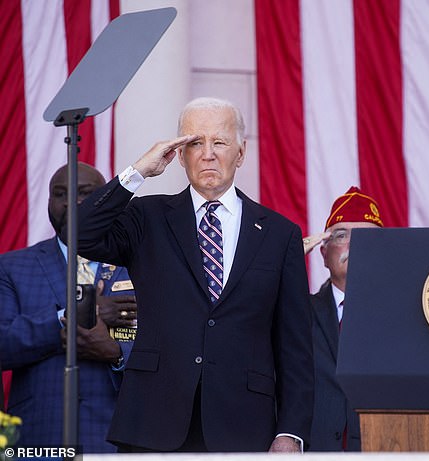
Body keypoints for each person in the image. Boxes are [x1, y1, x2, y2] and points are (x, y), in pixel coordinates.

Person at [70, 97, 313, 452]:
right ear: (180, 155)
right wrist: (138, 171)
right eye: (195, 142)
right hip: (154, 422)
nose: (208, 153)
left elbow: (295, 349)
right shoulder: (147, 218)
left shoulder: (279, 234)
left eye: (219, 142)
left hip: (243, 426)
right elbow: (80, 232)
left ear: (241, 153)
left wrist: (290, 431)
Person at [0, 162, 137, 452]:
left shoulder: (140, 266)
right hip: (40, 437)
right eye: (60, 193)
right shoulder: (12, 267)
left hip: (118, 437)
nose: (72, 202)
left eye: (85, 193)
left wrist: (116, 354)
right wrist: (69, 319)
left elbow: (169, 349)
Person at [305, 186, 384, 451]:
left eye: (366, 236)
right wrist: (283, 261)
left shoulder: (404, 317)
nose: (355, 244)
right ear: (323, 253)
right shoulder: (298, 313)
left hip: (385, 448)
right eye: (342, 235)